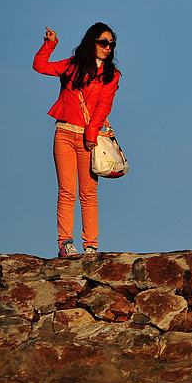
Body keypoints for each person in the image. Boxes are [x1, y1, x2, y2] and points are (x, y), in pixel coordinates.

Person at [33, 23, 121, 258]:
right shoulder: (72, 66)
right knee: (66, 191)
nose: (108, 48)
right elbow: (40, 66)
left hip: (87, 138)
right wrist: (50, 44)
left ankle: (91, 245)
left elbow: (104, 106)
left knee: (89, 192)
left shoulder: (111, 75)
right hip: (63, 132)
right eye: (103, 42)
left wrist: (91, 132)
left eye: (111, 44)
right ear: (92, 42)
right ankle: (65, 243)